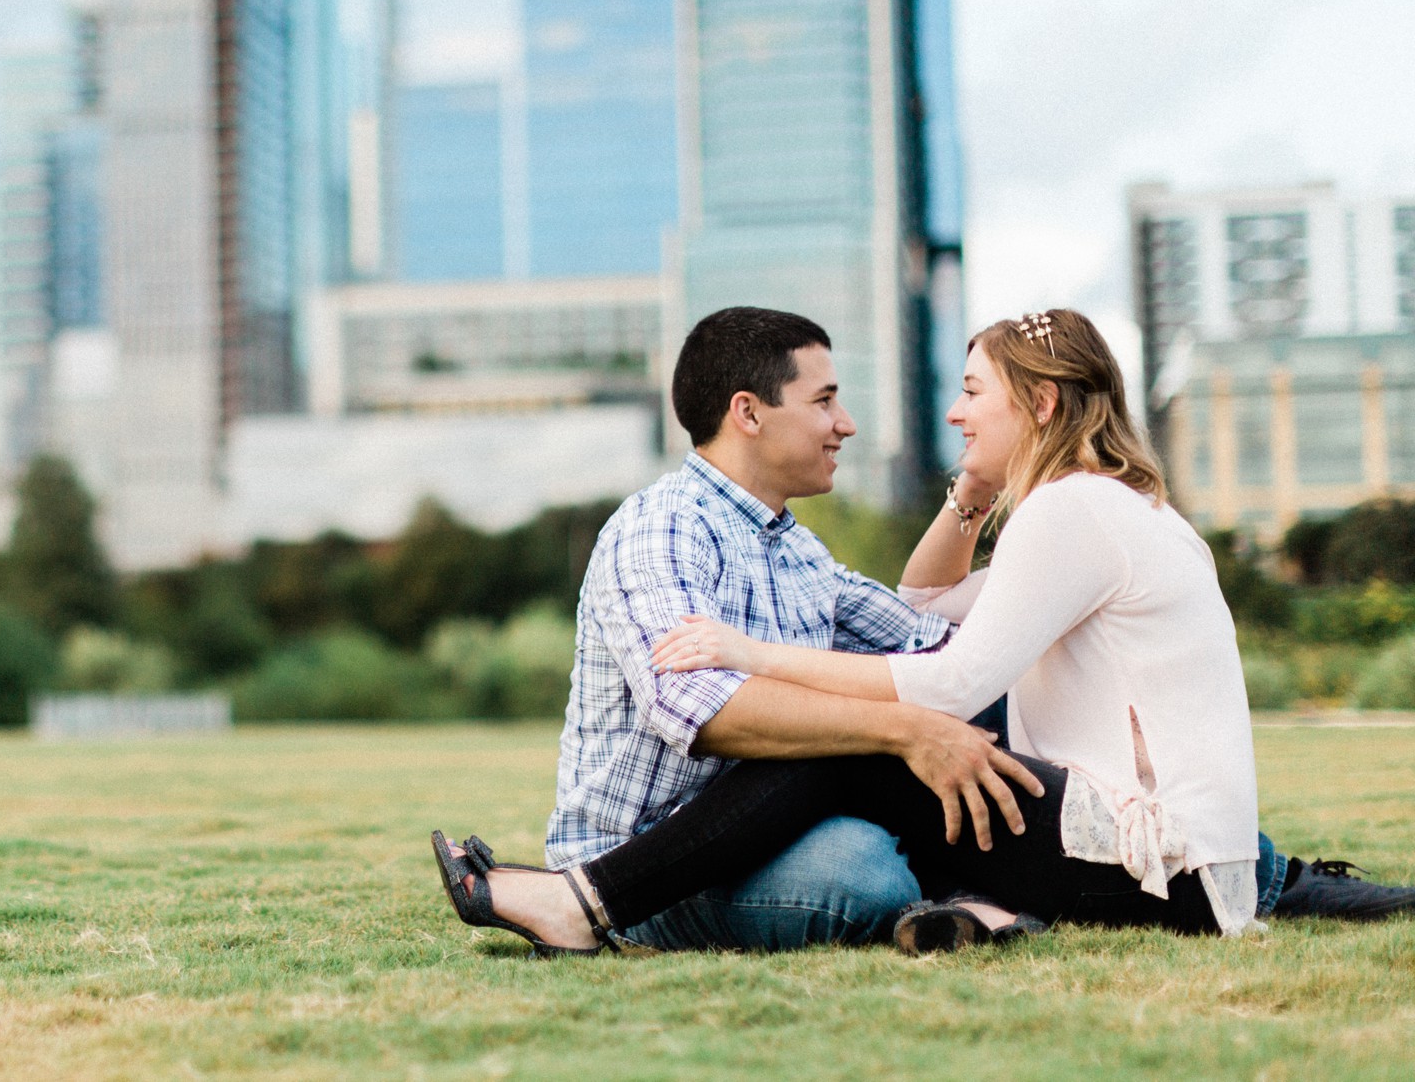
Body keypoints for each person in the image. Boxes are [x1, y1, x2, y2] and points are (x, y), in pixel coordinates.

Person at [433, 306, 1415, 957]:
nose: (851, 423)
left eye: (971, 395)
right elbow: (759, 693)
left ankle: (582, 905)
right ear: (747, 412)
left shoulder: (1049, 516)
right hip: (665, 837)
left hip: (1159, 849)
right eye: (823, 400)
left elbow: (926, 650)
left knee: (882, 788)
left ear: (1034, 404)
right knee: (870, 820)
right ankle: (608, 894)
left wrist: (774, 661)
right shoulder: (663, 529)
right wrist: (970, 507)